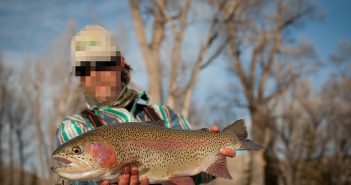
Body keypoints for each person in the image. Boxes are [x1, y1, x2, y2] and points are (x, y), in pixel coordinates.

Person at [55, 25, 236, 185]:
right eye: (84, 69)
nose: (94, 75)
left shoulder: (164, 115)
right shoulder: (74, 127)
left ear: (120, 63)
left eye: (102, 63)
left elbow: (201, 174)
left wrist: (214, 151)